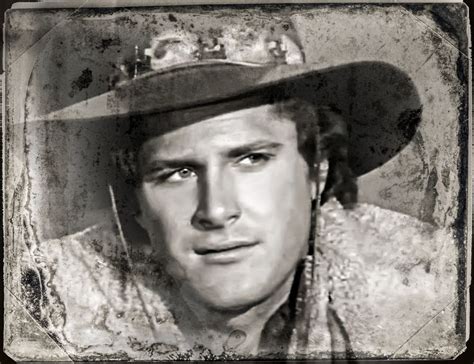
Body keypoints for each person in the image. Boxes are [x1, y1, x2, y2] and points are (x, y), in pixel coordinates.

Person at [20, 22, 458, 361]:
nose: (216, 209)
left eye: (251, 159)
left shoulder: (425, 290)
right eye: (177, 172)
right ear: (133, 201)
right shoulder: (48, 305)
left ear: (317, 171)